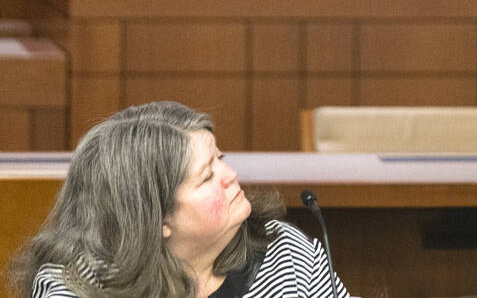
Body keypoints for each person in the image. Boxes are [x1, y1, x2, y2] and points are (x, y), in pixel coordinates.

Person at [9, 101, 349, 298]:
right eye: (207, 176)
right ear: (157, 219)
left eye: (221, 158)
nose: (230, 175)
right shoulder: (78, 283)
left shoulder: (283, 250)